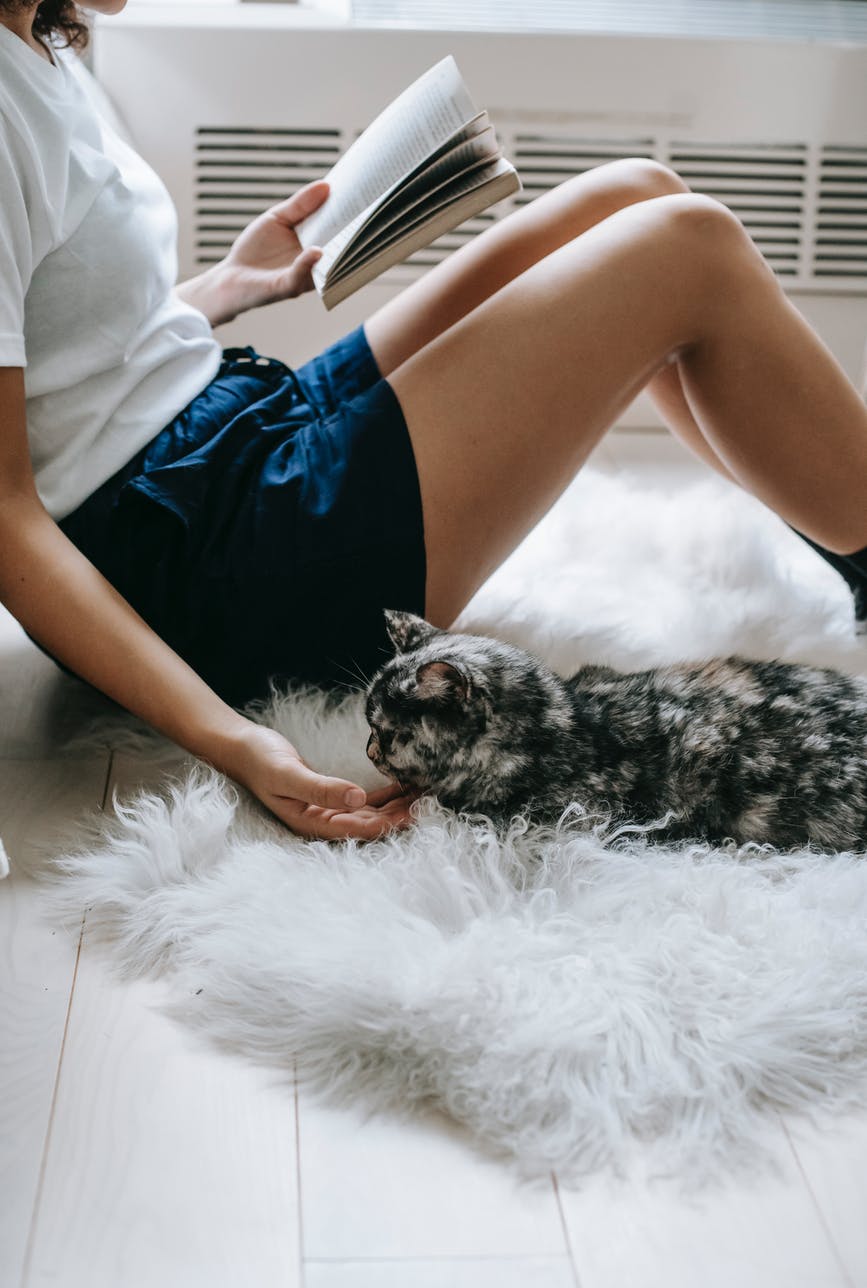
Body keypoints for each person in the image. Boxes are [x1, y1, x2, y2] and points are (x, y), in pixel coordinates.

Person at [2, 0, 867, 844]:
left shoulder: (39, 36)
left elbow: (67, 345)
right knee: (686, 245)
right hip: (200, 565)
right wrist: (235, 739)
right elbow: (6, 516)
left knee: (634, 193)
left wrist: (225, 288)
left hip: (217, 431)